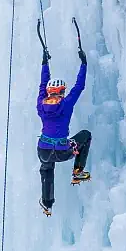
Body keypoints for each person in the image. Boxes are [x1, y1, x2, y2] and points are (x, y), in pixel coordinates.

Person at [35, 29, 91, 215]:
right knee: (85, 136)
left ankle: (47, 203)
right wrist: (83, 63)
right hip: (62, 151)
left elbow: (43, 85)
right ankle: (77, 171)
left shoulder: (41, 104)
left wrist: (45, 62)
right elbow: (79, 86)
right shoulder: (66, 104)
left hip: (43, 150)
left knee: (46, 167)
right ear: (62, 91)